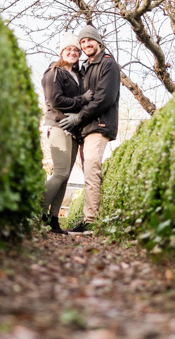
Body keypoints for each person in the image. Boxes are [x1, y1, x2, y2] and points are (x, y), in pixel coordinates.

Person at [59, 26, 120, 233]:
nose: (86, 45)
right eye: (82, 42)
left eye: (89, 41)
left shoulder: (108, 63)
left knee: (92, 169)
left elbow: (105, 98)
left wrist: (79, 117)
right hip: (86, 127)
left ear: (98, 42)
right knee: (88, 173)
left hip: (100, 124)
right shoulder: (85, 67)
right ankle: (92, 218)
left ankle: (91, 221)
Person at [40, 33, 94, 234]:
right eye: (68, 49)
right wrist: (82, 100)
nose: (72, 52)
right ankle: (39, 213)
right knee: (60, 172)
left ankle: (54, 220)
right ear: (62, 52)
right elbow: (55, 101)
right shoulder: (54, 72)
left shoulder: (77, 75)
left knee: (65, 175)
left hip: (72, 129)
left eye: (76, 50)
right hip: (58, 125)